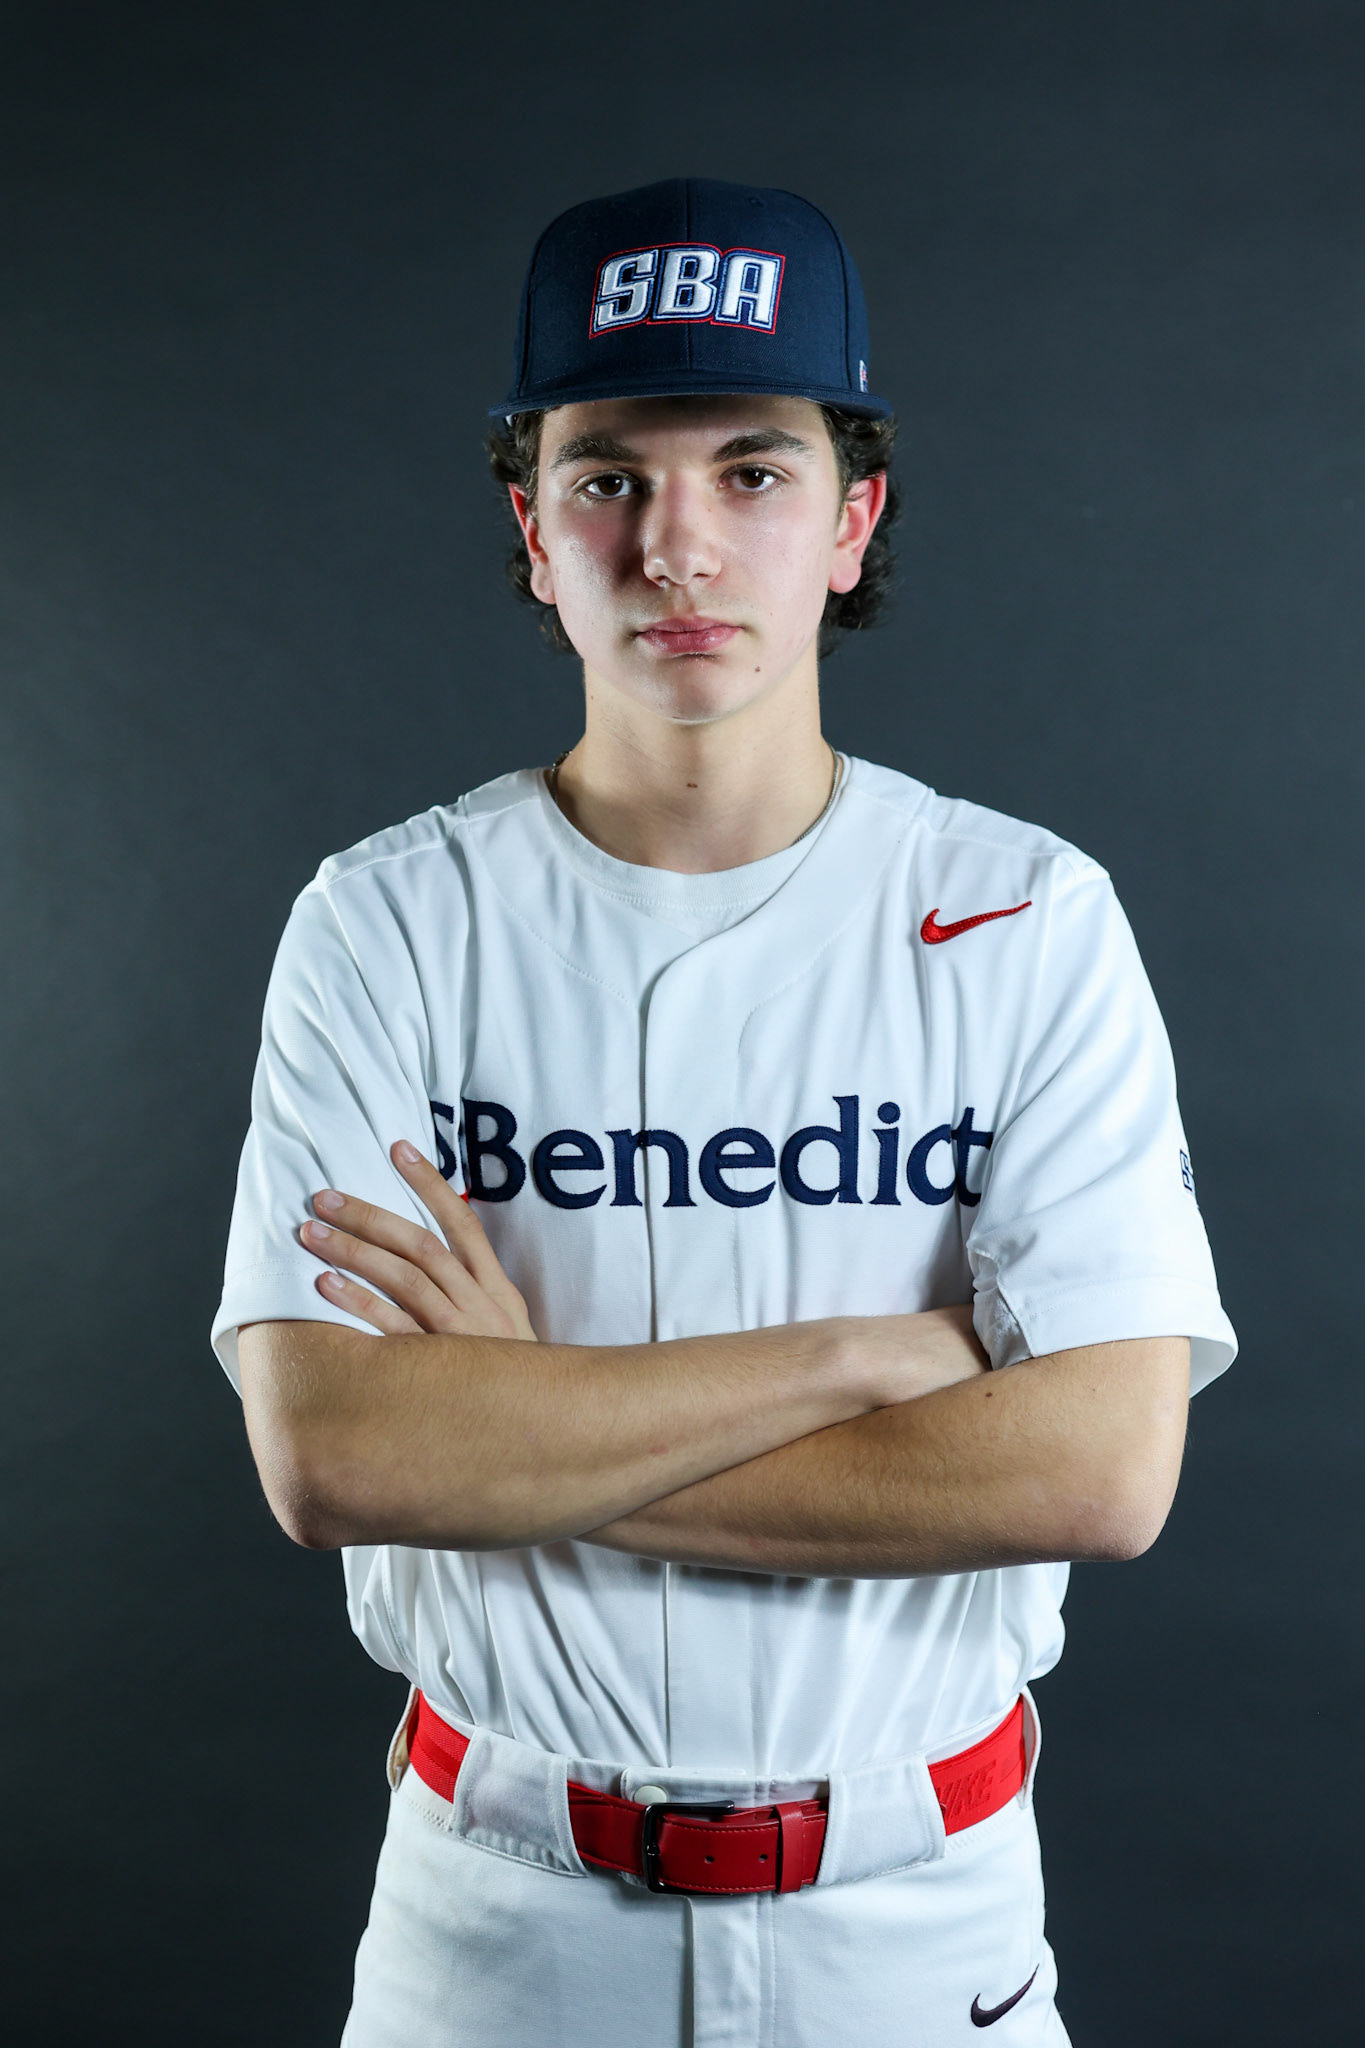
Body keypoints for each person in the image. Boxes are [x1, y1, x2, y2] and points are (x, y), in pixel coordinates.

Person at [212, 177, 1237, 2045]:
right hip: (500, 1930)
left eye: (751, 471)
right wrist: (866, 1359)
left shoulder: (1024, 912)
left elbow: (1094, 1472)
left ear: (850, 519)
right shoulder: (387, 920)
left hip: (917, 1929)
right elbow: (342, 1458)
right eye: (608, 477)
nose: (676, 546)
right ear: (533, 531)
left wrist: (518, 1423)